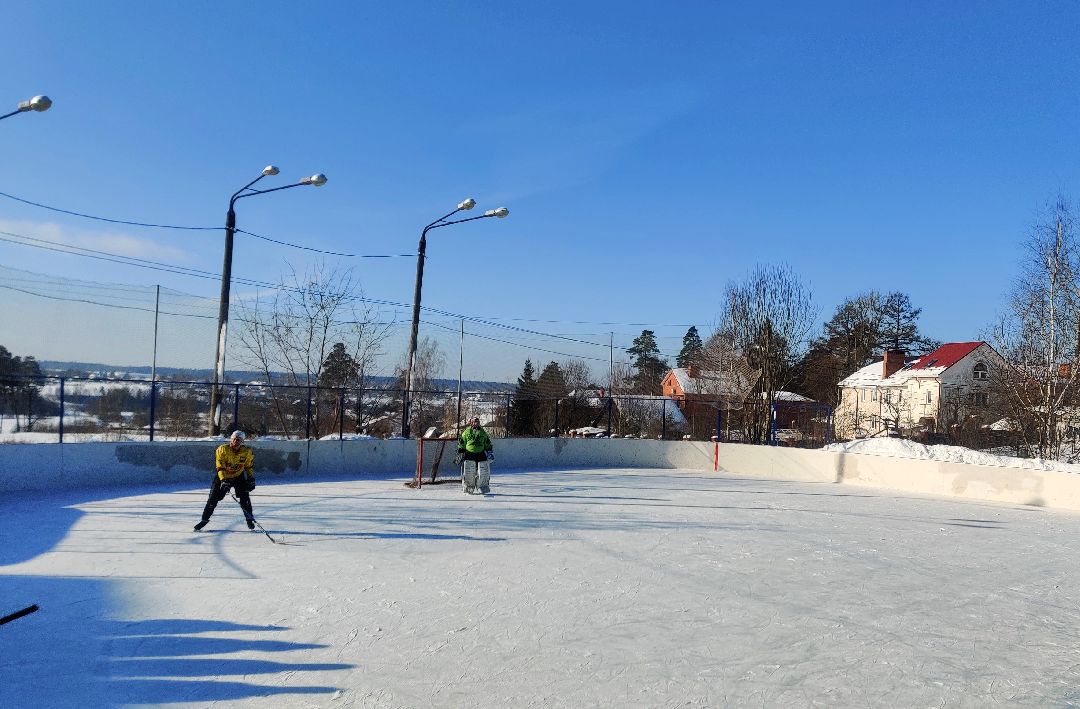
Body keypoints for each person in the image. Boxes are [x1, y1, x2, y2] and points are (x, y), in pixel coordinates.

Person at [194, 429, 257, 531]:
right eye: (234, 439)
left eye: (239, 440)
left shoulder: (247, 452)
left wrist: (251, 478)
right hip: (222, 476)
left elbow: (248, 466)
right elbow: (220, 466)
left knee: (245, 497)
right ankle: (204, 520)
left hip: (238, 476)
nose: (236, 441)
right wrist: (223, 480)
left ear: (242, 441)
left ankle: (249, 519)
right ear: (231, 439)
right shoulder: (222, 449)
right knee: (213, 498)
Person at [456, 416, 494, 494]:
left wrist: (489, 451)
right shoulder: (466, 432)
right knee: (469, 472)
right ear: (471, 423)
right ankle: (469, 486)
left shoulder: (483, 432)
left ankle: (482, 486)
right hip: (469, 454)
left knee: (483, 471)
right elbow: (462, 442)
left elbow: (487, 442)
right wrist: (461, 451)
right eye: (474, 422)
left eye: (477, 422)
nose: (476, 424)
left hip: (481, 454)